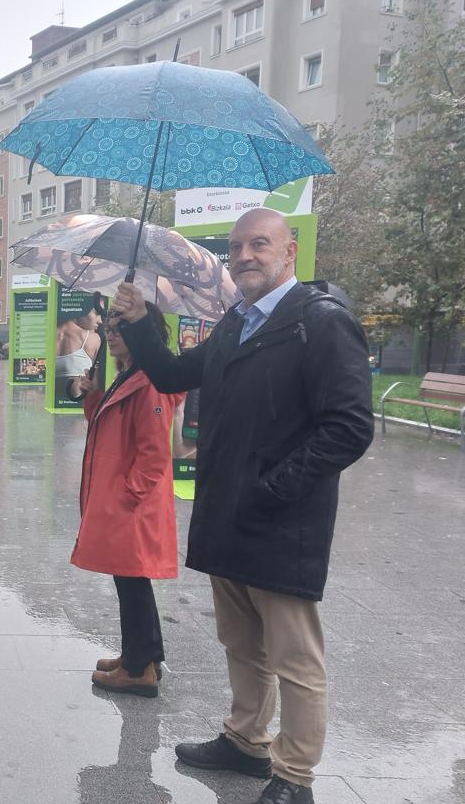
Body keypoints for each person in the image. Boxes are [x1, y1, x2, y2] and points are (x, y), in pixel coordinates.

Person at [110, 208, 374, 804]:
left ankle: (294, 777)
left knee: (294, 657)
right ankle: (246, 741)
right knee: (241, 641)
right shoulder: (236, 323)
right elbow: (176, 372)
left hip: (283, 521)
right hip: (228, 514)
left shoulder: (321, 322)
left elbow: (350, 428)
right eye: (237, 247)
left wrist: (274, 488)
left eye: (260, 244)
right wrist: (140, 321)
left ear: (290, 250)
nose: (246, 255)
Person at [70, 303, 184, 700]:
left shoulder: (149, 381)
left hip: (132, 503)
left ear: (141, 331)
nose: (111, 333)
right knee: (131, 581)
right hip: (123, 497)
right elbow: (107, 426)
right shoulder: (128, 375)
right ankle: (142, 656)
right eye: (110, 326)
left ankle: (138, 670)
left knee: (132, 581)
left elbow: (154, 453)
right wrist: (91, 395)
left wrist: (127, 495)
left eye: (120, 327)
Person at [58, 294, 104, 401]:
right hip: (80, 406)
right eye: (97, 313)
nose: (100, 321)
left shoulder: (51, 333)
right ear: (82, 311)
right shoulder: (93, 339)